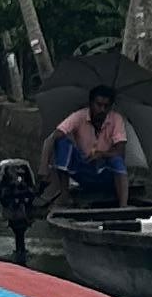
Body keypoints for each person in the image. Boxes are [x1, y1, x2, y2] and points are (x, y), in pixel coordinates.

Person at [40, 72, 137, 210]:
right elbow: (51, 138)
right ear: (91, 103)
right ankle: (64, 194)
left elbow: (120, 150)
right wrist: (44, 168)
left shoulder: (116, 119)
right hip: (83, 168)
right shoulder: (79, 116)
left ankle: (123, 205)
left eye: (106, 106)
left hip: (105, 172)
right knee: (61, 143)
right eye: (98, 105)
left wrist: (102, 154)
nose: (102, 109)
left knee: (117, 160)